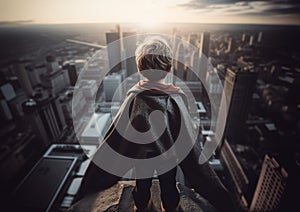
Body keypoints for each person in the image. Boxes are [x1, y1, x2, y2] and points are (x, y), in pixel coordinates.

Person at [74, 37, 235, 212]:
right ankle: (169, 208)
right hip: (169, 156)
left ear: (139, 68)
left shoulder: (135, 96)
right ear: (169, 68)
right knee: (168, 184)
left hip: (142, 156)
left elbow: (119, 130)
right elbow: (186, 130)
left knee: (142, 185)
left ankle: (141, 207)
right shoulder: (177, 97)